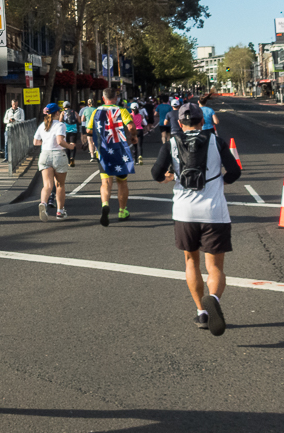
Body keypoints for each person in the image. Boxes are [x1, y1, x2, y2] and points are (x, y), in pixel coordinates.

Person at [150, 101, 241, 335]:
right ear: (203, 121)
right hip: (213, 211)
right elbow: (235, 171)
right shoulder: (216, 142)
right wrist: (222, 181)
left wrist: (169, 178)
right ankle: (214, 300)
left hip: (184, 212)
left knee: (191, 262)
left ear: (179, 124)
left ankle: (201, 311)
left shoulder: (171, 143)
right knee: (215, 266)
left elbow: (155, 173)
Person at [86, 88, 138, 226]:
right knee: (122, 182)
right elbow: (131, 126)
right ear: (116, 98)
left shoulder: (96, 111)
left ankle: (105, 204)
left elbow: (88, 130)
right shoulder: (122, 110)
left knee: (105, 182)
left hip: (103, 151)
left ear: (103, 99)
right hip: (120, 150)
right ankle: (122, 211)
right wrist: (133, 136)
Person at [34, 103, 75, 220]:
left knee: (47, 185)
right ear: (57, 113)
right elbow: (60, 141)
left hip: (44, 154)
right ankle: (60, 211)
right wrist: (70, 146)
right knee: (60, 185)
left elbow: (35, 142)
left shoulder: (42, 125)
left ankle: (43, 203)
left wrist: (46, 143)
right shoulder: (60, 125)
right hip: (58, 155)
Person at [61, 101, 79, 168]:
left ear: (63, 107)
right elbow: (79, 121)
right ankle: (72, 157)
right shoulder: (75, 112)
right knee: (73, 144)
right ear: (69, 106)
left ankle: (69, 161)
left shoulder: (63, 113)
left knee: (67, 145)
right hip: (73, 131)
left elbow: (60, 121)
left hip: (65, 131)